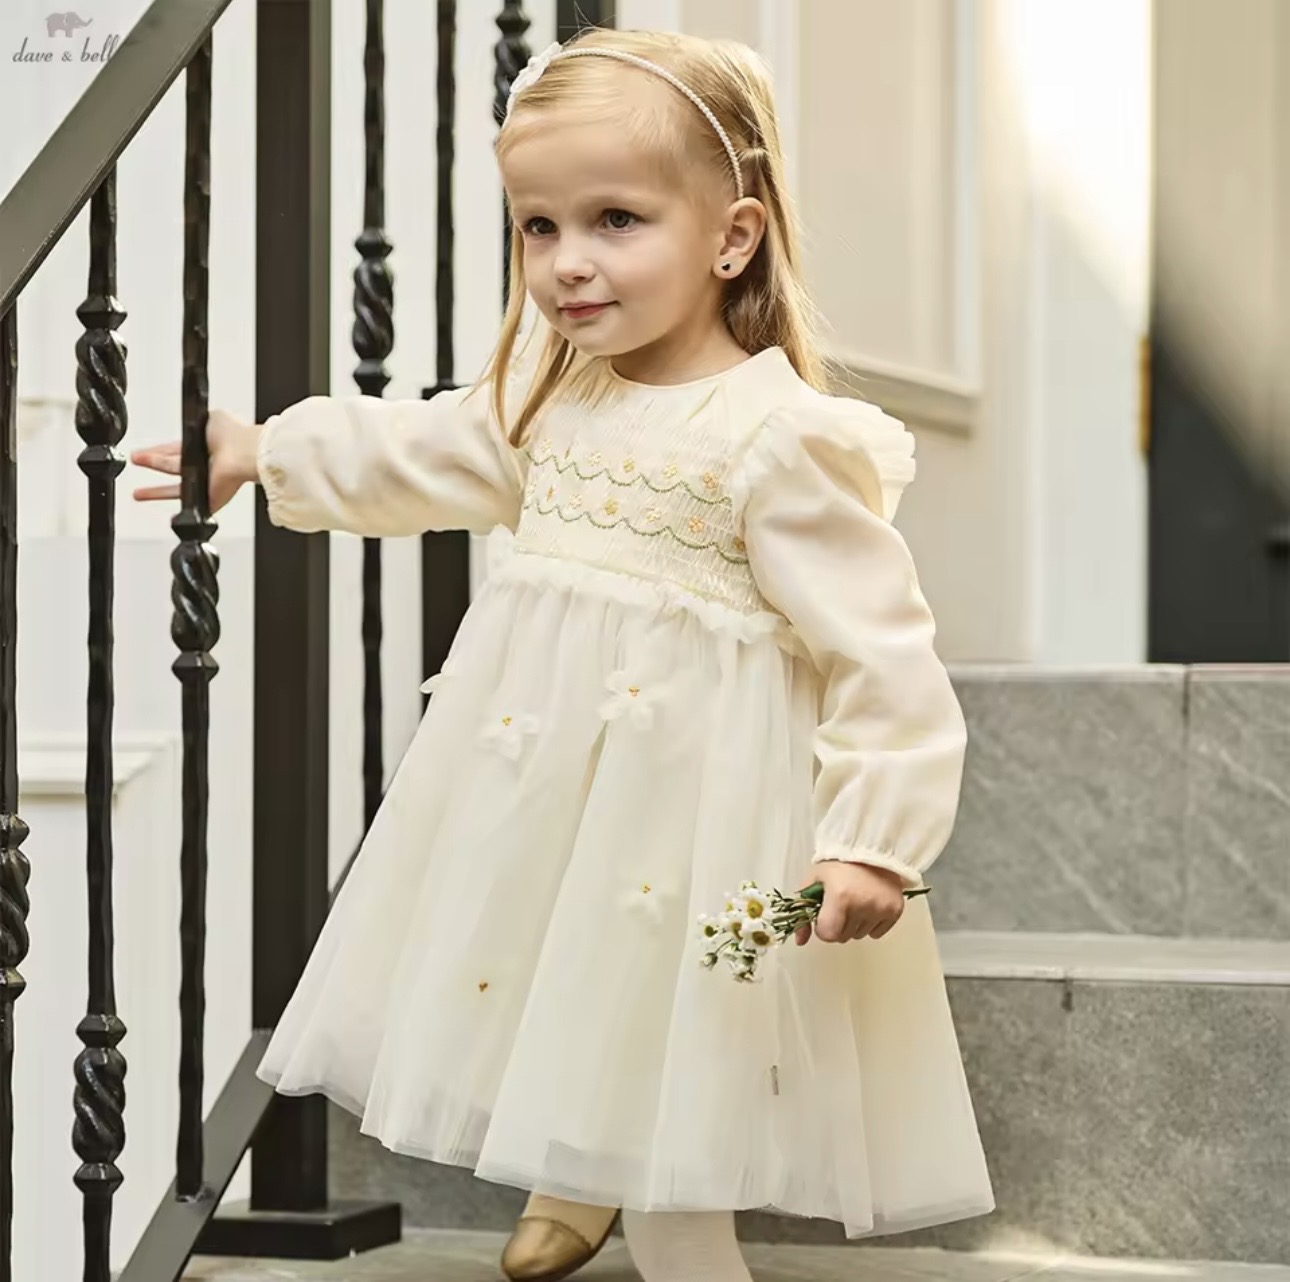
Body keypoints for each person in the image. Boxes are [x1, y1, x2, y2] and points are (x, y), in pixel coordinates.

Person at [133, 28, 993, 1282]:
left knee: (669, 1010)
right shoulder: (549, 399)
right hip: (547, 779)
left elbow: (882, 649)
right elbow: (421, 451)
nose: (567, 262)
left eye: (615, 221)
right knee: (564, 969)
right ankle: (576, 1172)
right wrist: (265, 450)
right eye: (539, 227)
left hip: (693, 802)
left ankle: (681, 1233)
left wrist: (872, 833)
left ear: (732, 238)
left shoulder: (777, 437)